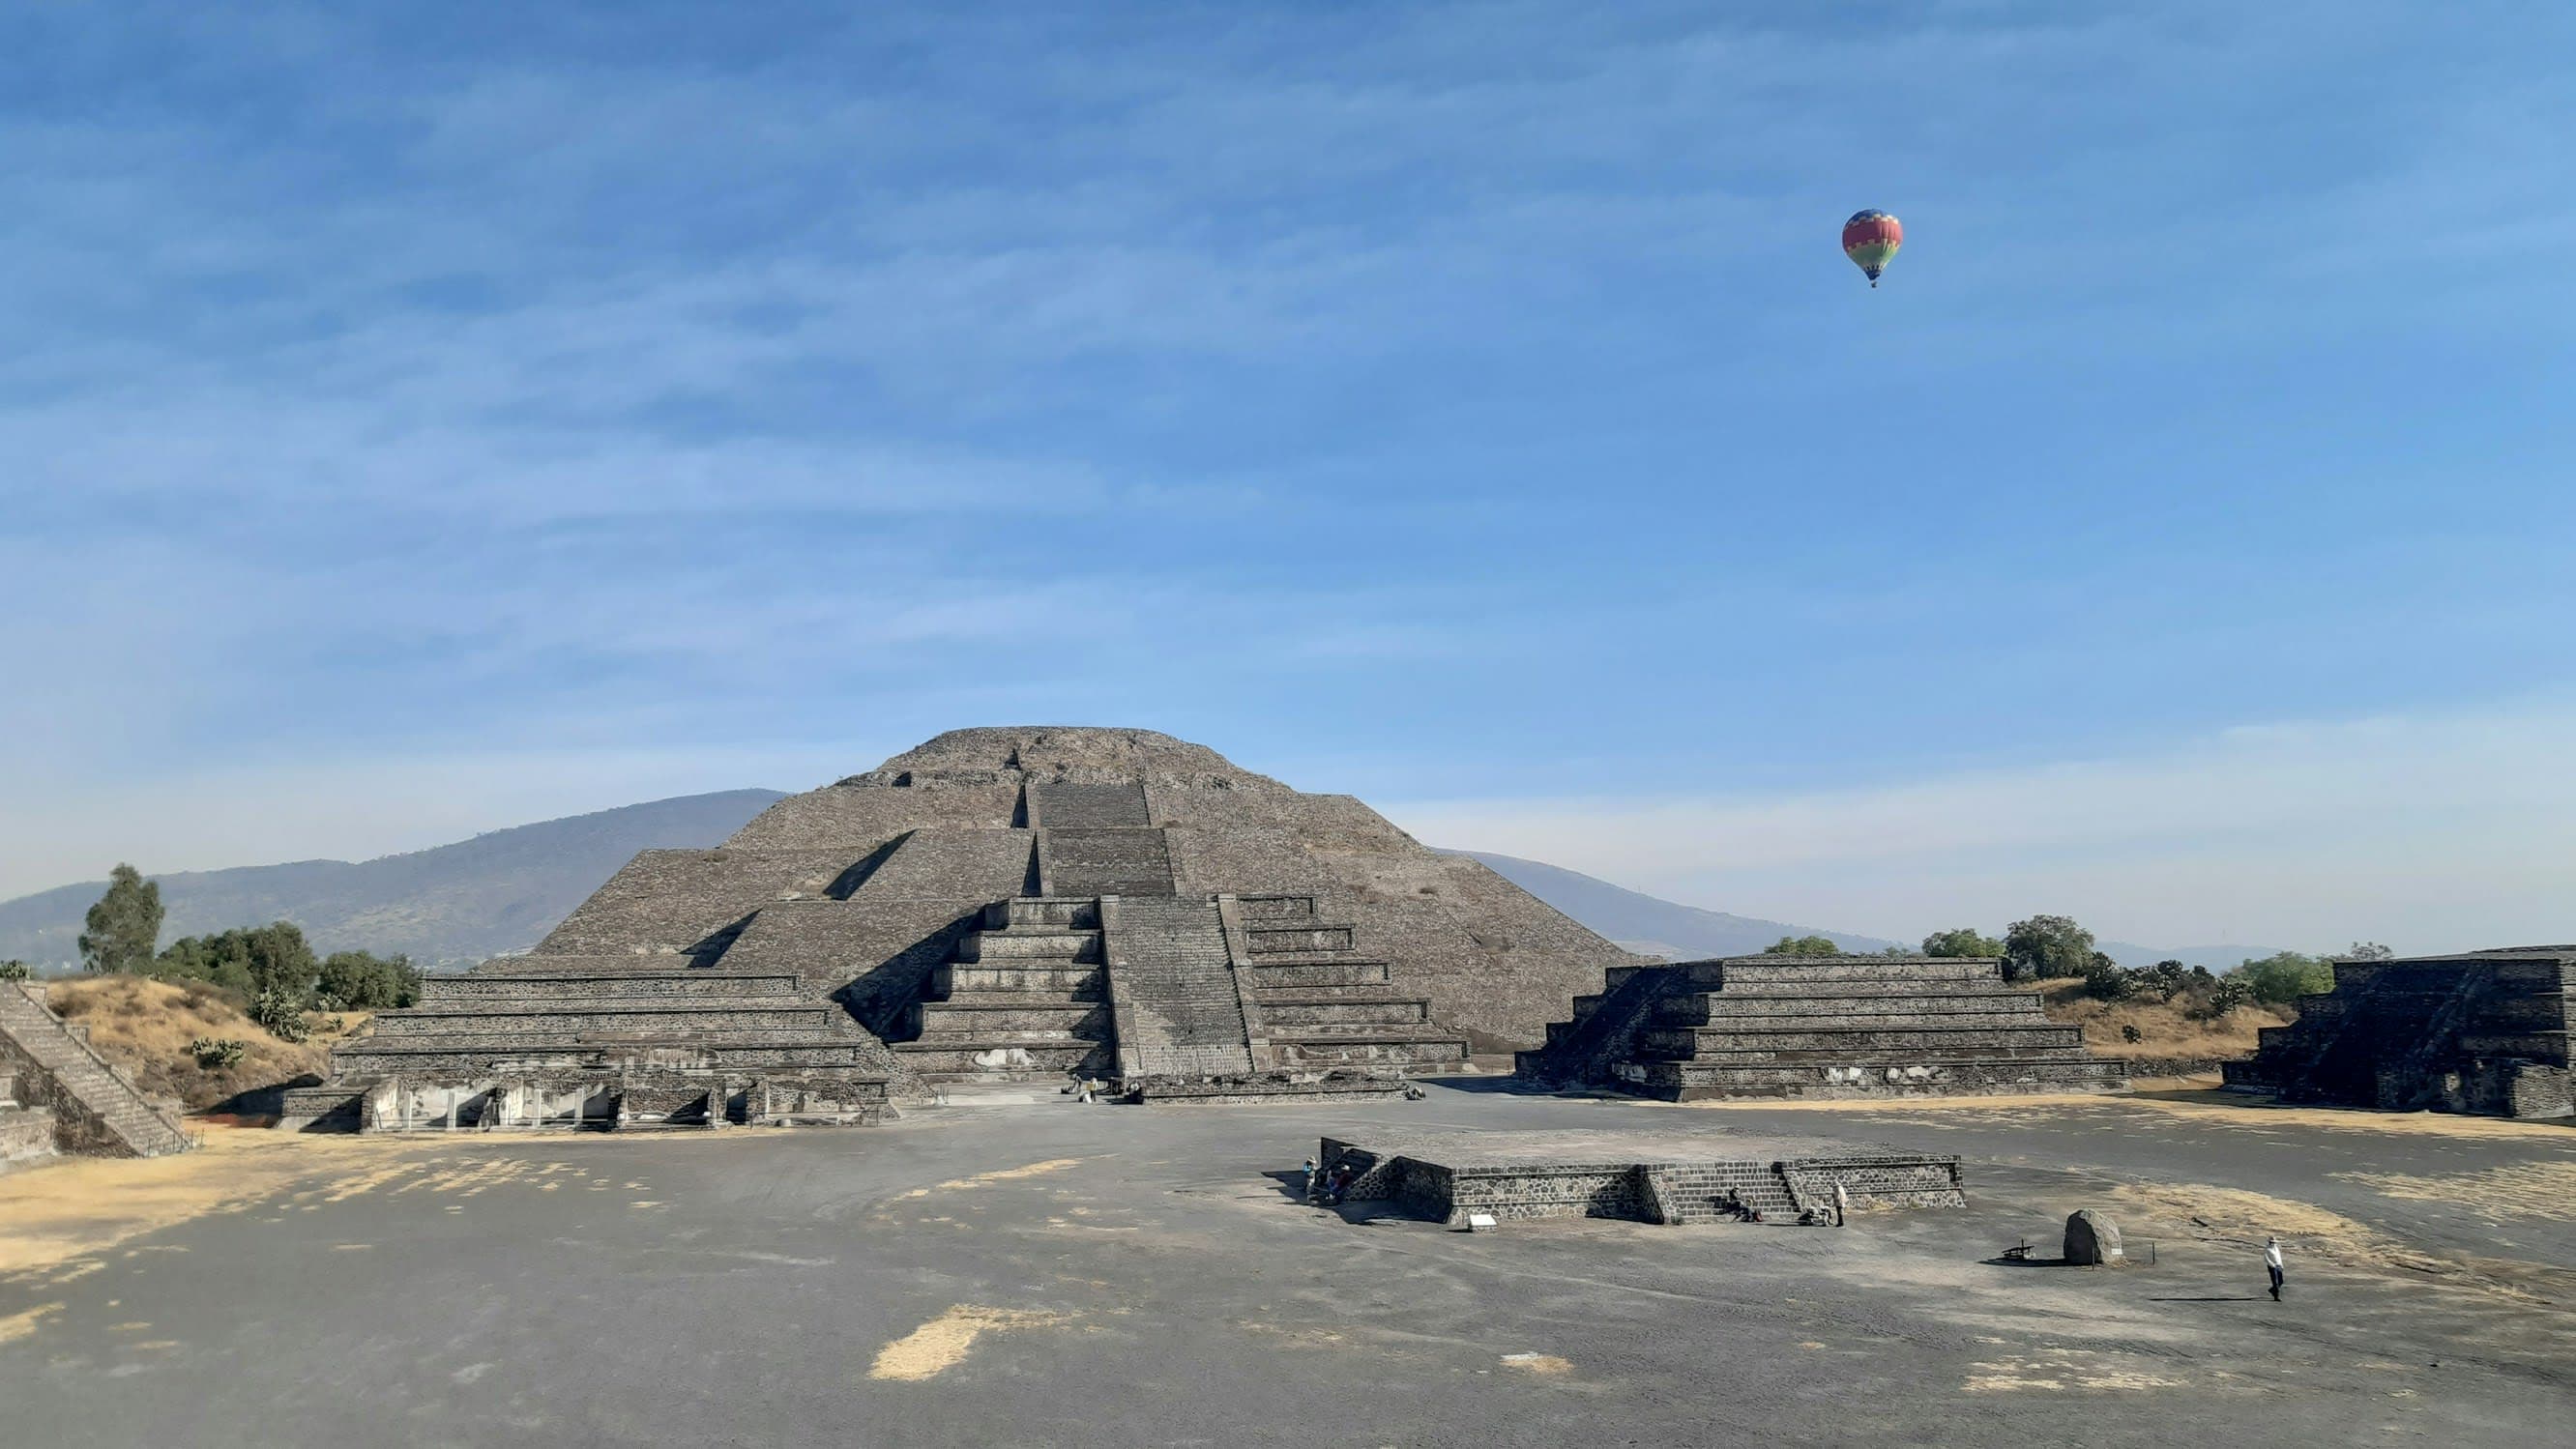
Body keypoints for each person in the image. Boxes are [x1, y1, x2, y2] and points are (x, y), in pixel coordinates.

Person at [2265, 1236, 2286, 1301]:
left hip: (2278, 1266)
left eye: (2274, 1242)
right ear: (2269, 1242)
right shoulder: (2267, 1249)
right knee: (2275, 1282)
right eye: (2272, 1242)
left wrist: (2281, 1265)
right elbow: (2266, 1258)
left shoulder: (2276, 1249)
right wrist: (2272, 1265)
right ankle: (2276, 1296)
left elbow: (2279, 1257)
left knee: (2281, 1281)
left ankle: (2272, 1290)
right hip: (2272, 1267)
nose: (2273, 1244)